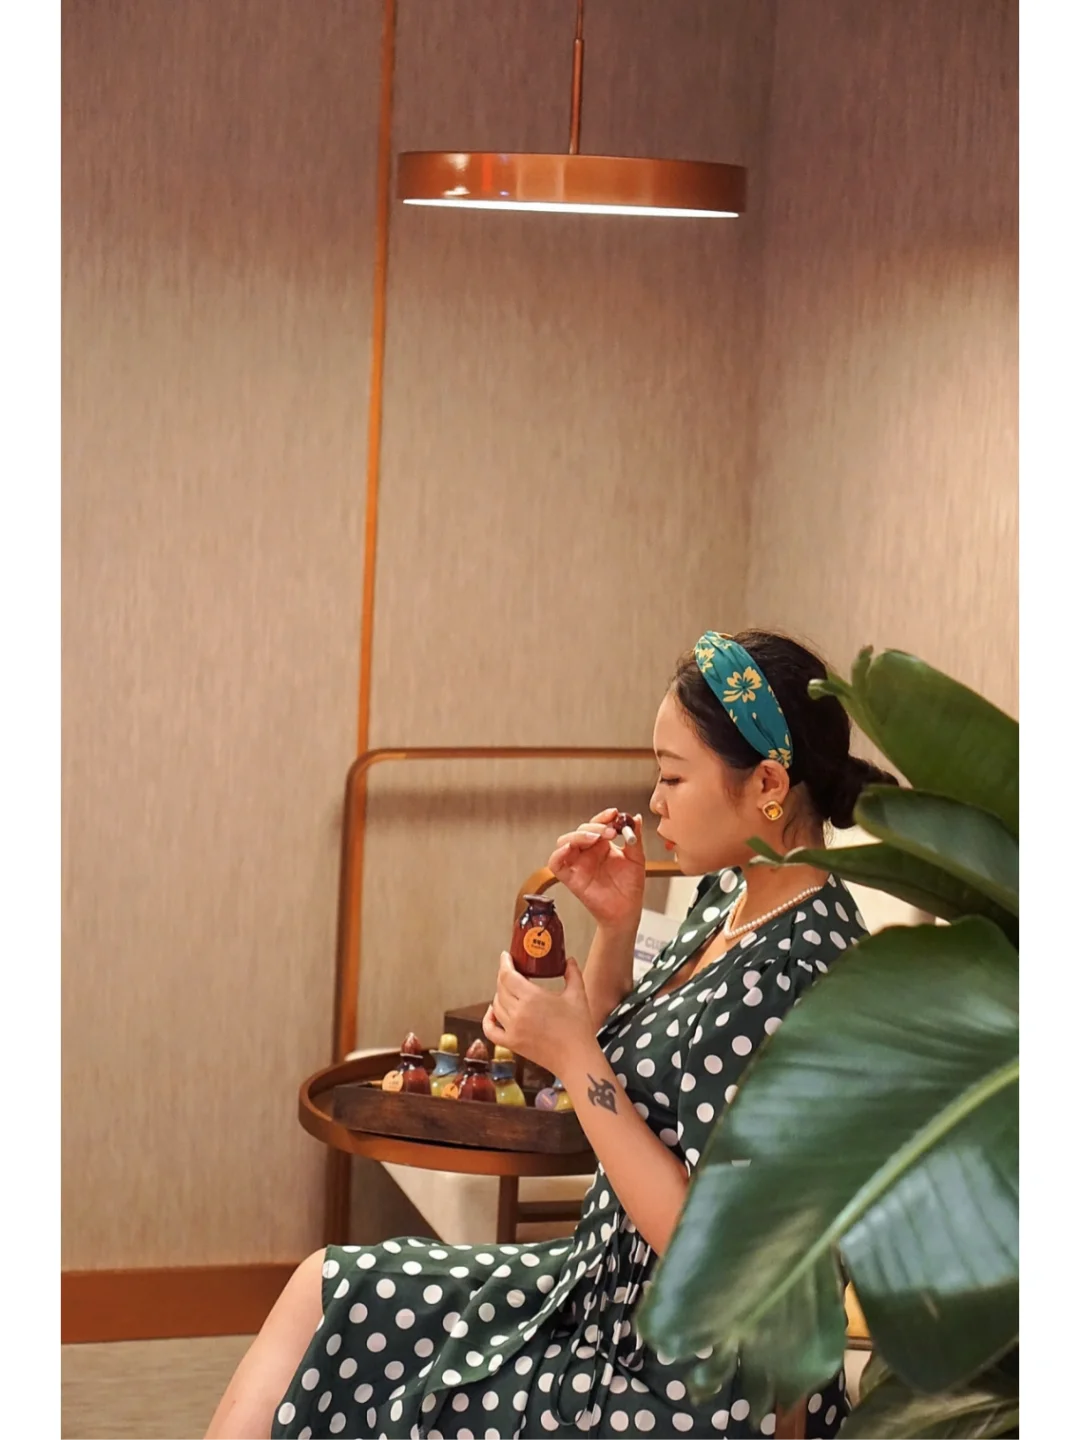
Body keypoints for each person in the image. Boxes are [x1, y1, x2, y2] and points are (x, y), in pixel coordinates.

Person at [206, 629, 894, 1440]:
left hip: (690, 1374)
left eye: (674, 776)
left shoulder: (799, 969)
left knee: (374, 1346)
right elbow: (628, 1059)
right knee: (328, 1285)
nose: (656, 802)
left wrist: (570, 1053)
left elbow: (715, 1257)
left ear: (769, 784)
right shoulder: (732, 898)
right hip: (600, 1289)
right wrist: (615, 925)